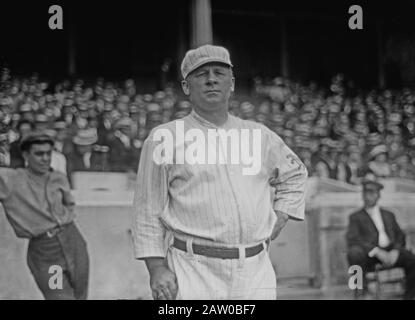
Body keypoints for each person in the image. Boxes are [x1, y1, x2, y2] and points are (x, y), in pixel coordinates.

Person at [132, 44, 308, 300]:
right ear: (186, 87)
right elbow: (147, 210)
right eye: (201, 74)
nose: (212, 79)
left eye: (219, 73)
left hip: (254, 268)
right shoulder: (165, 138)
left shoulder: (259, 135)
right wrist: (156, 267)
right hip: (194, 267)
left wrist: (278, 218)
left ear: (232, 83)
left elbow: (295, 175)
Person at [0, 131, 89, 299]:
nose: (45, 158)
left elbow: (69, 203)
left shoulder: (58, 177)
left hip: (73, 240)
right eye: (39, 154)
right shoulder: (11, 179)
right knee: (60, 297)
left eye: (48, 153)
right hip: (46, 252)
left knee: (80, 295)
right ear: (26, 155)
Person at [346, 173, 415, 300]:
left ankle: (409, 296)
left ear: (378, 195)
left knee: (411, 259)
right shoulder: (356, 217)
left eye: (372, 193)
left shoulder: (389, 215)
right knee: (353, 253)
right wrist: (376, 251)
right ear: (362, 195)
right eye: (366, 193)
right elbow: (353, 238)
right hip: (370, 254)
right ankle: (360, 291)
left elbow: (400, 236)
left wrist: (395, 251)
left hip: (390, 251)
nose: (369, 196)